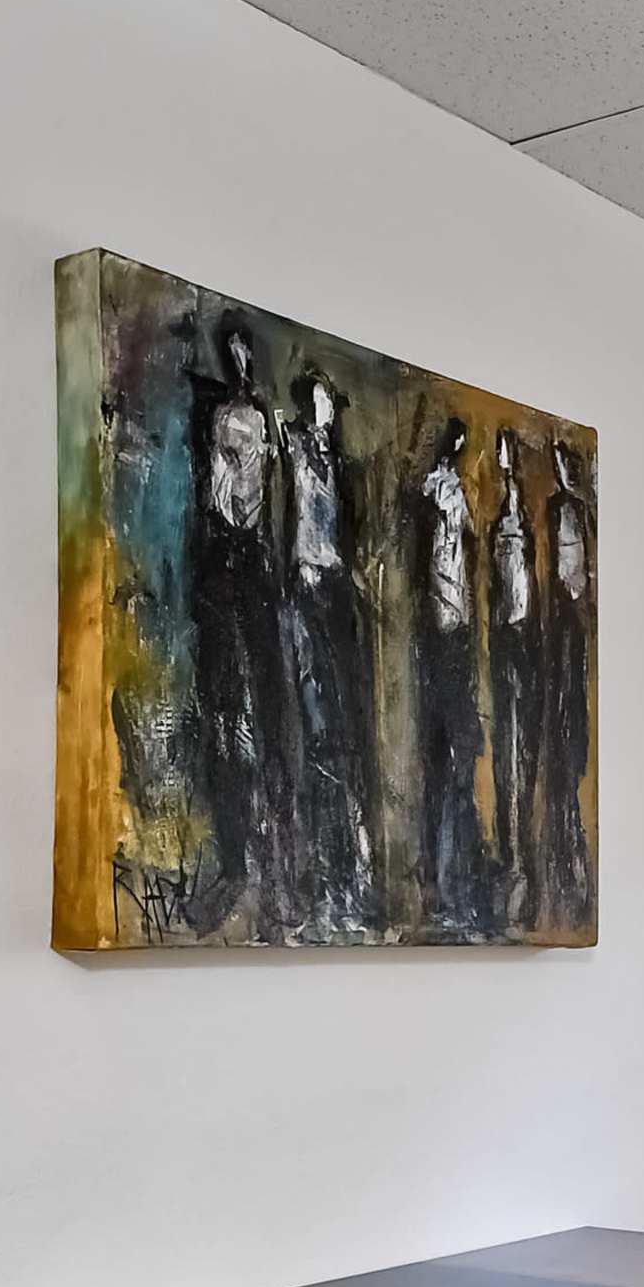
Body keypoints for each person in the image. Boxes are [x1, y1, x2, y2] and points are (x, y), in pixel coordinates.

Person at [187, 322, 288, 933]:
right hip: (225, 558)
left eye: (247, 354)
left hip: (252, 559)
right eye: (236, 354)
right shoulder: (227, 417)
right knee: (226, 713)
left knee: (268, 713)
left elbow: (249, 477)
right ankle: (237, 859)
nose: (242, 363)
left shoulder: (256, 424)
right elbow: (224, 480)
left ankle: (269, 860)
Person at [278, 371, 377, 938]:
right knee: (316, 726)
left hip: (336, 591)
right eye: (322, 400)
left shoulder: (340, 467)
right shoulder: (291, 446)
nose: (329, 411)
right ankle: (326, 871)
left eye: (332, 404)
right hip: (305, 587)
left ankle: (352, 870)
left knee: (346, 732)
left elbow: (351, 534)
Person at [408, 414, 489, 931]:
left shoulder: (458, 494)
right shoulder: (432, 492)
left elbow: (465, 554)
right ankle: (440, 878)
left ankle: (457, 872)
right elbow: (429, 548)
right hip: (436, 634)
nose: (458, 451)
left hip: (456, 631)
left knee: (463, 753)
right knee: (441, 759)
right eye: (454, 444)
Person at [538, 438, 596, 929]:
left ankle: (572, 859)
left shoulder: (582, 512)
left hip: (573, 629)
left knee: (574, 747)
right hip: (554, 629)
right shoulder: (555, 509)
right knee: (561, 745)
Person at [486, 426, 540, 930]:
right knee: (506, 751)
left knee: (522, 754)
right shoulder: (494, 532)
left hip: (522, 643)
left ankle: (523, 861)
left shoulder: (525, 526)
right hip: (503, 642)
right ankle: (512, 860)